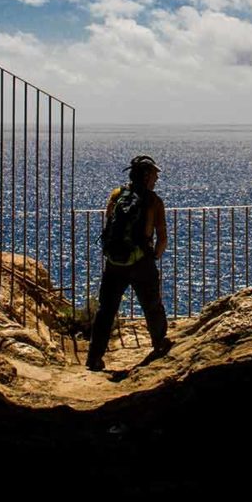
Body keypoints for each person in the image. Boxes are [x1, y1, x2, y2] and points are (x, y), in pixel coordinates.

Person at [86, 154, 172, 371]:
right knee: (152, 305)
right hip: (142, 261)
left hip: (115, 261)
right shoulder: (154, 201)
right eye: (154, 174)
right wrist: (154, 257)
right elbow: (162, 238)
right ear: (145, 176)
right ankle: (160, 343)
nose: (156, 178)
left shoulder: (117, 195)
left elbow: (109, 224)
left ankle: (94, 358)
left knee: (106, 309)